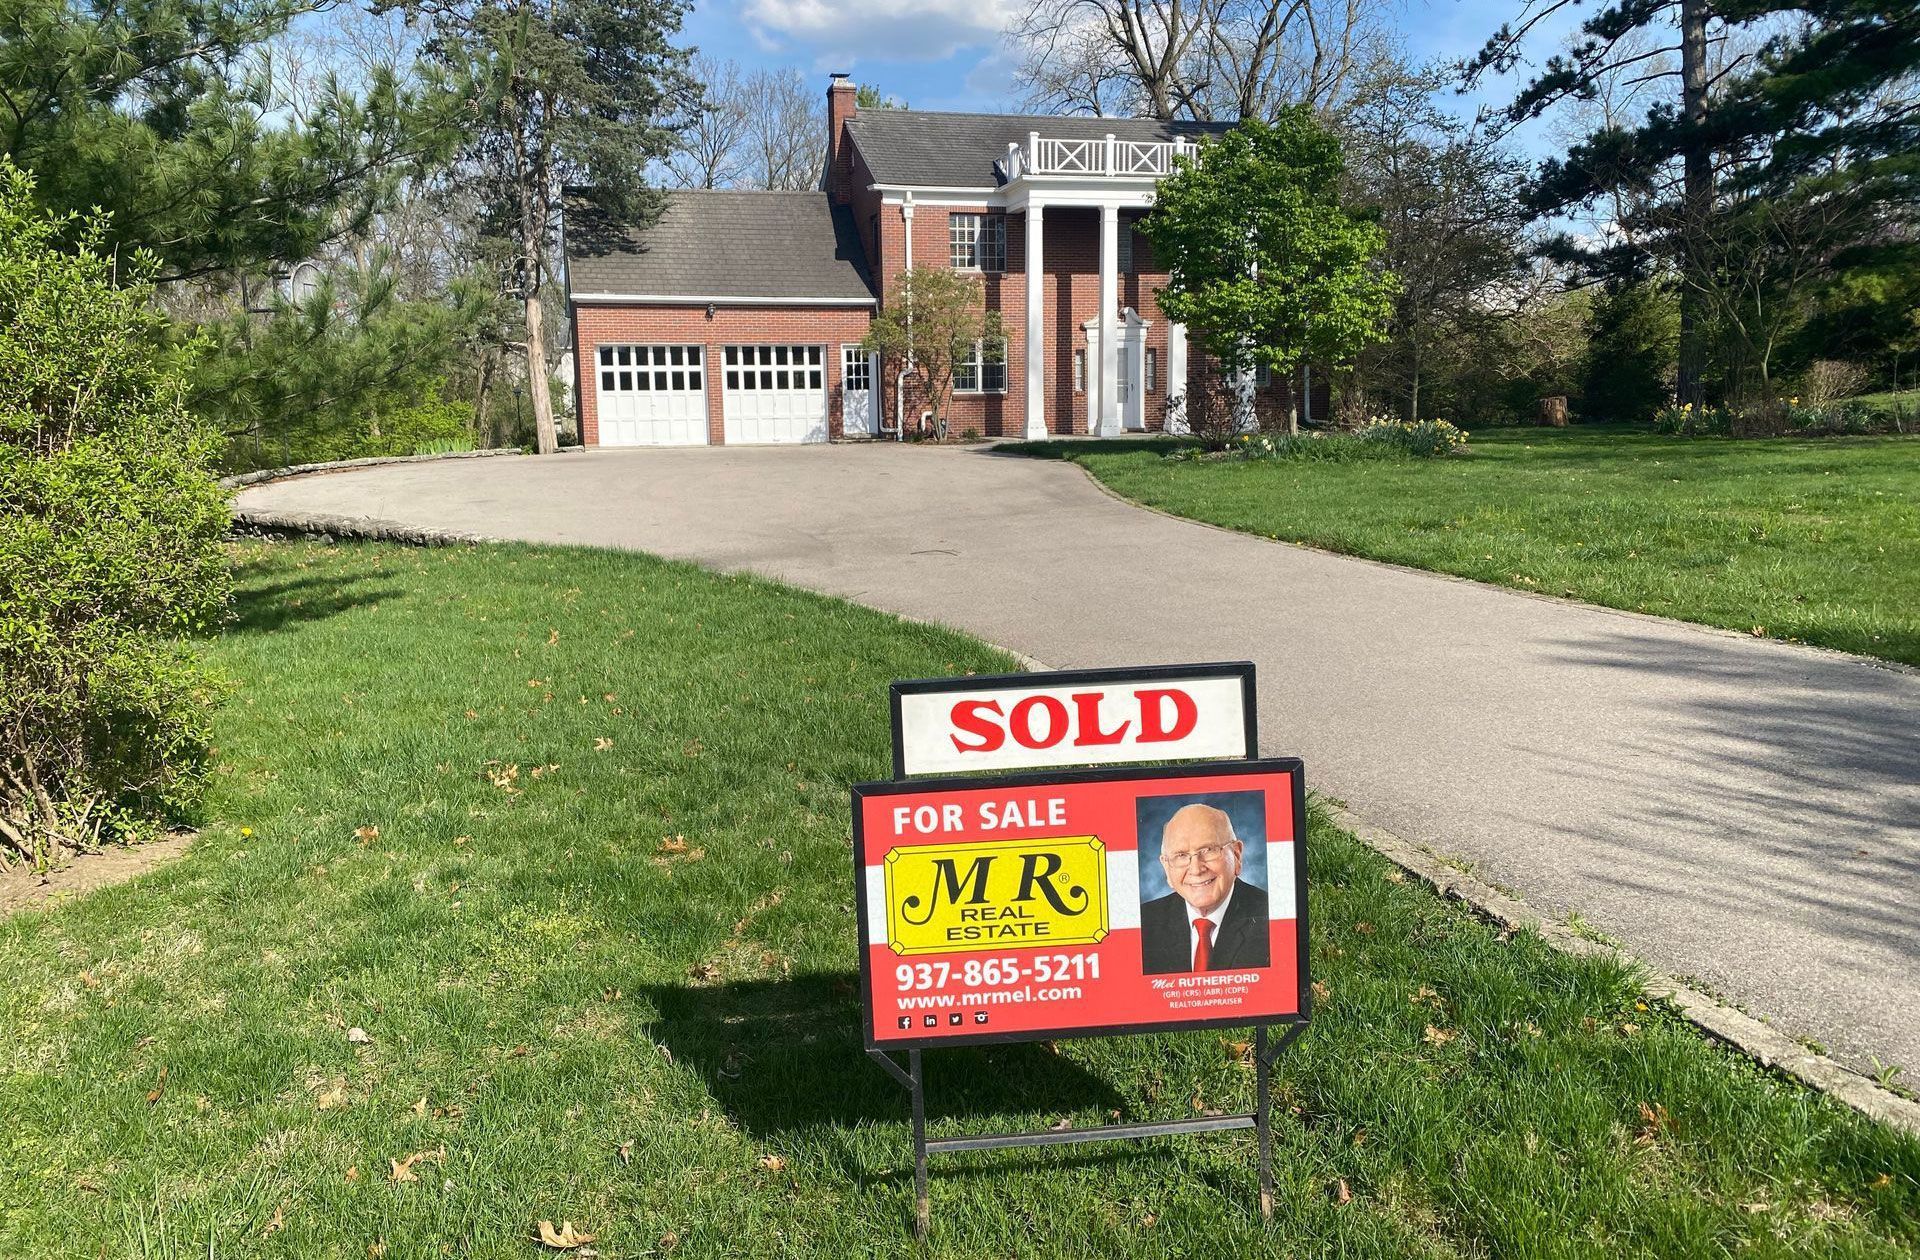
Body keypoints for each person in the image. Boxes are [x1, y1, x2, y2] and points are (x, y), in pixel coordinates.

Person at [1139, 802, 1269, 974]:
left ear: (1236, 855)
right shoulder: (1144, 922)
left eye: (1208, 850)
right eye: (1181, 855)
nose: (1196, 869)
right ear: (1166, 867)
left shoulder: (1273, 916)